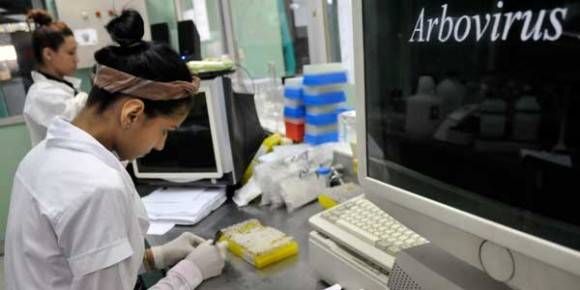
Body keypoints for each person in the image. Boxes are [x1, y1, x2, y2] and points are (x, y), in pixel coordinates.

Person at [4, 10, 225, 290]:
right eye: (165, 130)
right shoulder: (96, 188)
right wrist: (189, 273)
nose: (160, 145)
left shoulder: (39, 157)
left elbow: (71, 267)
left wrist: (156, 256)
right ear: (131, 114)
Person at [24, 9, 88, 146]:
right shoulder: (40, 94)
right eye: (71, 53)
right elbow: (75, 122)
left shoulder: (60, 86)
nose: (76, 60)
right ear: (48, 54)